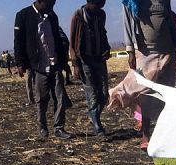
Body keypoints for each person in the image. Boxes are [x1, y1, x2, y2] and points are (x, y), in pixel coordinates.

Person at [109, 0, 176, 149]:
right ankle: (145, 134)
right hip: (146, 52)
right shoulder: (131, 1)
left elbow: (169, 19)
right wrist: (130, 50)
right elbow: (127, 23)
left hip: (167, 51)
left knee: (166, 93)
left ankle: (163, 132)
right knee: (145, 93)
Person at [14, 0, 73, 139]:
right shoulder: (23, 16)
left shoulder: (52, 16)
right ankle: (43, 128)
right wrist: (20, 63)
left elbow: (58, 40)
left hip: (55, 63)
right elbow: (18, 41)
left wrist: (64, 62)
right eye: (49, 4)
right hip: (39, 65)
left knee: (60, 98)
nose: (52, 7)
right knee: (42, 99)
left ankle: (59, 128)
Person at [70, 0, 112, 135]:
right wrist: (75, 65)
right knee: (92, 94)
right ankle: (97, 125)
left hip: (99, 59)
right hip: (85, 60)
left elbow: (103, 33)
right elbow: (73, 41)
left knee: (104, 94)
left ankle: (94, 116)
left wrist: (107, 48)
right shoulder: (78, 15)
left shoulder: (101, 15)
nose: (102, 5)